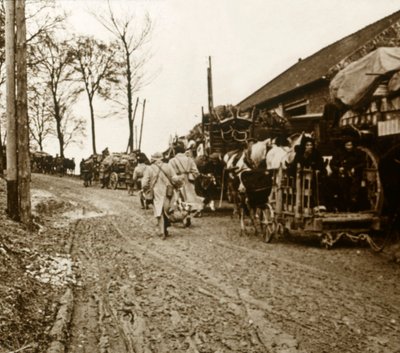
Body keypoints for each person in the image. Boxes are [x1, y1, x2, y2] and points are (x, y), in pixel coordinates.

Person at [142, 152, 179, 238]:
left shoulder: (149, 168)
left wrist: (146, 190)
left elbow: (144, 183)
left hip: (156, 191)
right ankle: (165, 229)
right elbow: (175, 178)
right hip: (168, 190)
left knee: (159, 211)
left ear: (153, 159)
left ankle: (162, 232)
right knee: (166, 210)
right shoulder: (168, 166)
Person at [330, 137, 366, 211]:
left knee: (353, 192)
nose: (349, 147)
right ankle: (342, 208)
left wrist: (355, 168)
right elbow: (332, 164)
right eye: (347, 145)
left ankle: (353, 207)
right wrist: (339, 169)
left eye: (350, 145)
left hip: (354, 176)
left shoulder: (357, 153)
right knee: (342, 192)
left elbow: (363, 163)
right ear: (344, 145)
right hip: (342, 175)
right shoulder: (338, 153)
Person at [168, 144, 204, 215]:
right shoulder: (189, 160)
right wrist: (192, 177)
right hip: (188, 179)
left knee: (177, 196)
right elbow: (196, 172)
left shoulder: (172, 161)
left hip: (177, 179)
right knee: (190, 196)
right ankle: (196, 209)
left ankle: (179, 211)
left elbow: (170, 173)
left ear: (175, 151)